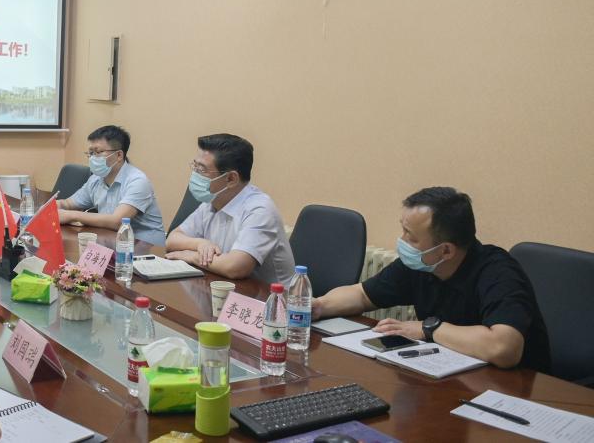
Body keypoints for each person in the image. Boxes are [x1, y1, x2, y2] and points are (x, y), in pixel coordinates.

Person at [312, 187, 551, 371]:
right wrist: (319, 306)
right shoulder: (421, 264)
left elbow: (503, 348)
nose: (402, 241)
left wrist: (430, 329)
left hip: (516, 393)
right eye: (403, 230)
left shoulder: (499, 272)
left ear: (445, 251)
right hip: (452, 376)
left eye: (411, 237)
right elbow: (362, 295)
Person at [165, 133, 296, 285]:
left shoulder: (260, 209)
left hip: (270, 297)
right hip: (226, 288)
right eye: (195, 166)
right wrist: (200, 244)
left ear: (231, 179)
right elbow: (172, 239)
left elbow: (235, 267)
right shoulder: (212, 201)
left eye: (201, 170)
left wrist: (192, 256)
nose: (194, 175)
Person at [57, 125, 166, 245]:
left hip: (145, 247)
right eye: (91, 153)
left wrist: (72, 216)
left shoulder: (137, 181)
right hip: (112, 241)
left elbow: (117, 222)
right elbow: (67, 204)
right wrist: (51, 207)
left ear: (119, 155)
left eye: (98, 152)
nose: (92, 158)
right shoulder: (95, 179)